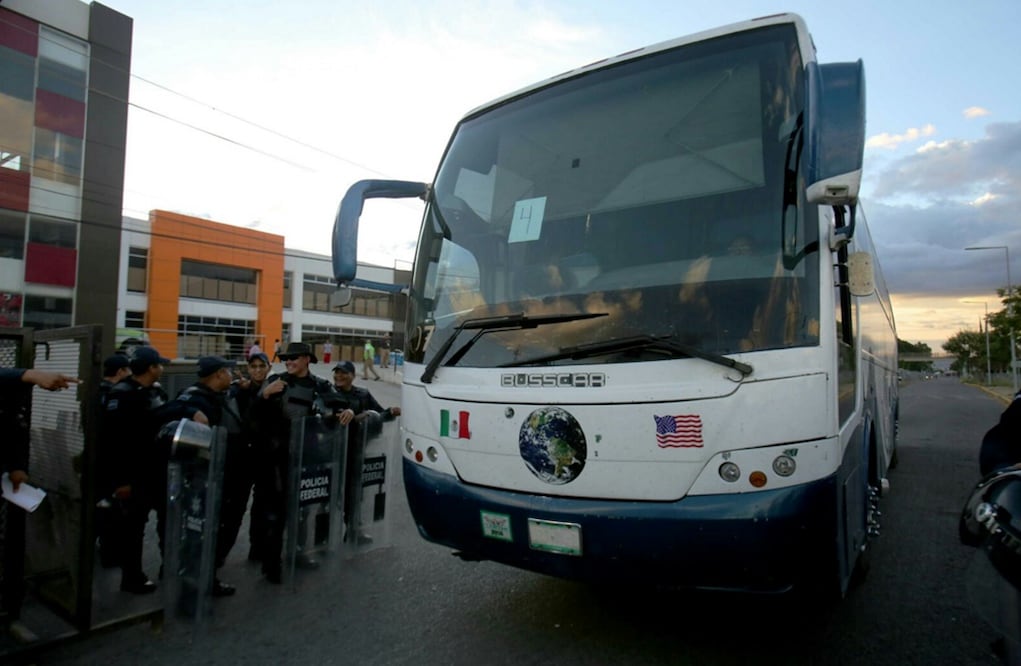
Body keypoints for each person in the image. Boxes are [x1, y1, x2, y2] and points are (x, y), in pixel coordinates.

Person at [0, 367, 78, 642]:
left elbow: (15, 427)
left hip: (7, 486)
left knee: (11, 551)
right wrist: (31, 375)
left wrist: (17, 466)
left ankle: (10, 616)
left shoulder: (10, 397)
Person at [251, 342, 338, 583]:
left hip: (307, 455)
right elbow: (253, 415)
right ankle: (272, 563)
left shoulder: (319, 385)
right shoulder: (276, 381)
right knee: (276, 511)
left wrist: (345, 412)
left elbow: (338, 407)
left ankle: (298, 553)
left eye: (294, 358)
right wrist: (266, 394)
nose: (288, 362)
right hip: (277, 456)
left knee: (303, 508)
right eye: (286, 358)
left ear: (307, 359)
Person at [98, 346, 177, 594]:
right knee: (133, 527)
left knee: (167, 520)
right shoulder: (122, 395)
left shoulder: (154, 391)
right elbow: (113, 443)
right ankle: (132, 577)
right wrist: (120, 481)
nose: (162, 368)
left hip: (157, 470)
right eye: (159, 364)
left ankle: (171, 566)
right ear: (151, 367)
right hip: (134, 475)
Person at [161, 356, 241, 597]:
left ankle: (195, 574)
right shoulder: (196, 399)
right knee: (200, 530)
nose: (232, 375)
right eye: (229, 371)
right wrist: (190, 410)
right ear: (218, 374)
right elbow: (165, 414)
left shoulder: (216, 395)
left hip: (215, 475)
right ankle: (195, 583)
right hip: (200, 479)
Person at [331, 361, 400, 542]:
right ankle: (323, 537)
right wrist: (354, 417)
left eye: (344, 373)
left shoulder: (362, 394)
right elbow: (325, 417)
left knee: (355, 493)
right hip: (332, 452)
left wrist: (390, 412)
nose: (339, 376)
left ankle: (354, 529)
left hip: (356, 451)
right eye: (336, 373)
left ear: (353, 375)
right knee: (329, 494)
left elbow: (378, 414)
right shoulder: (328, 393)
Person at [96, 354, 132, 568]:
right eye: (127, 370)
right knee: (111, 512)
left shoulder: (97, 391)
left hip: (99, 461)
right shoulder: (114, 395)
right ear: (120, 372)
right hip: (110, 465)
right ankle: (110, 555)